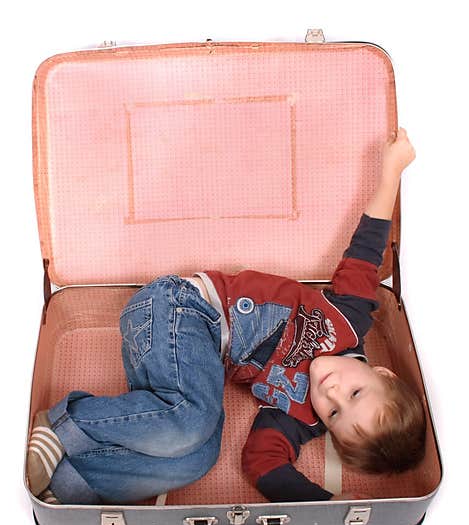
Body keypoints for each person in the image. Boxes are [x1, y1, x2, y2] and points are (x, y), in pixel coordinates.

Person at [28, 128, 425, 505]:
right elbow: (367, 252)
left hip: (175, 364)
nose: (332, 392)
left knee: (197, 458)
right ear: (383, 374)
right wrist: (392, 172)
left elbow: (263, 462)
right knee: (196, 421)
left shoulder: (299, 417)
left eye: (335, 414)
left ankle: (71, 482)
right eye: (355, 393)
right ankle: (68, 423)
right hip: (182, 308)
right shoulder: (350, 319)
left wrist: (321, 504)